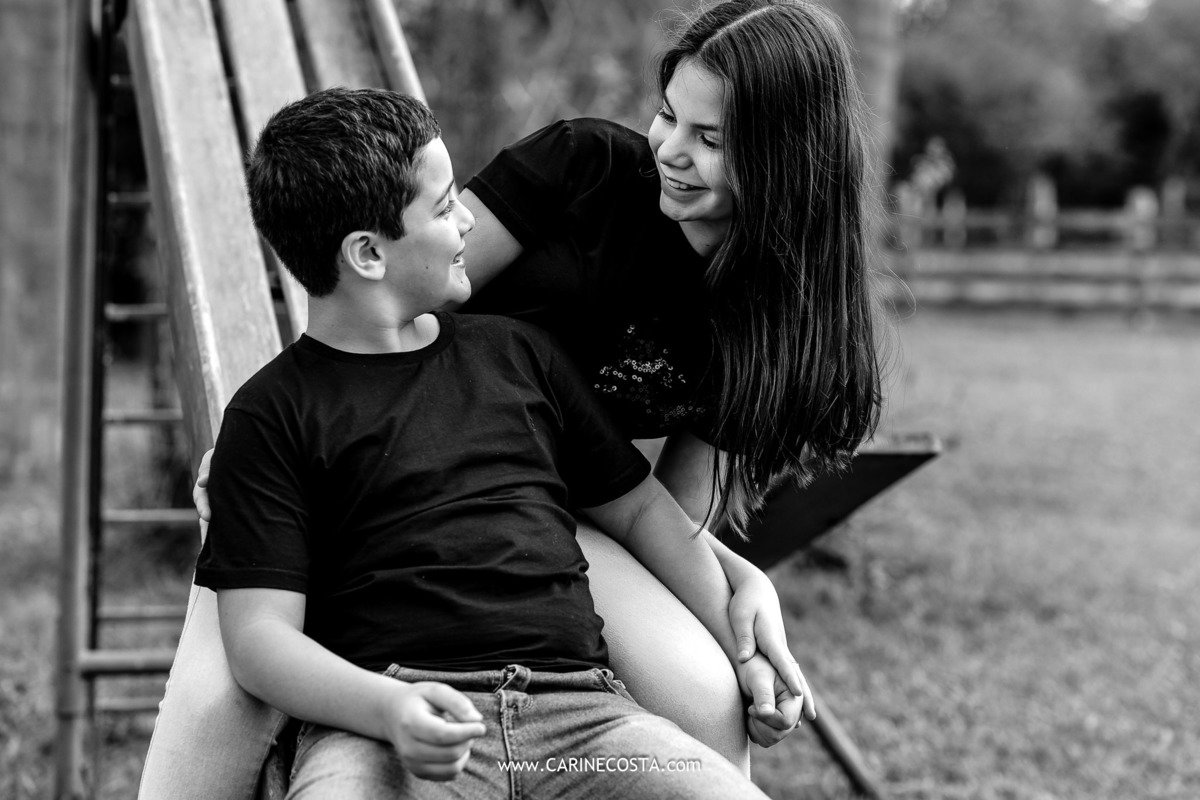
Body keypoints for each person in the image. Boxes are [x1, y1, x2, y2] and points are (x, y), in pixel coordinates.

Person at [184, 0, 879, 782]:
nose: (670, 150)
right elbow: (394, 299)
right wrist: (264, 440)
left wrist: (741, 588)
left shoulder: (775, 322)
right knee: (224, 691)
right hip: (389, 468)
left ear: (786, 159)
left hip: (558, 510)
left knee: (705, 697)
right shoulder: (584, 169)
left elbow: (665, 514)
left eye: (710, 139)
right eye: (666, 115)